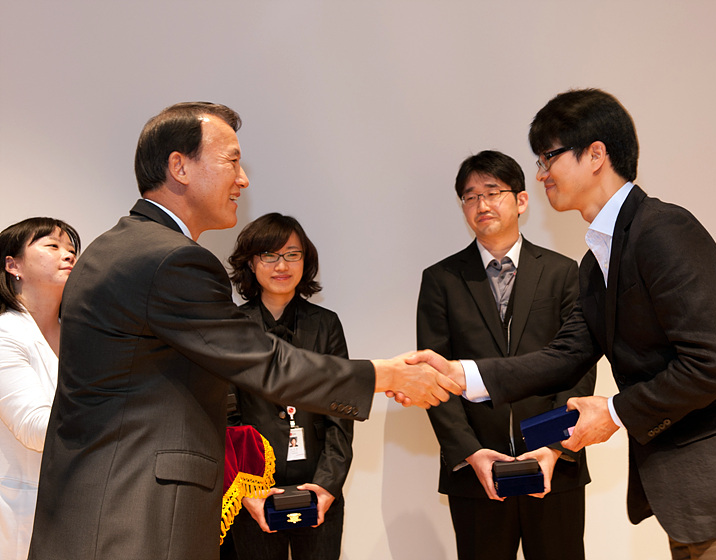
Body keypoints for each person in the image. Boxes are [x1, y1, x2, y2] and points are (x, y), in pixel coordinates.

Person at [28, 102, 459, 560]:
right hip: (134, 519)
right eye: (232, 160)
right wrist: (387, 375)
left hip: (103, 508)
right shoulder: (169, 260)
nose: (243, 179)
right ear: (180, 167)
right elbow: (267, 363)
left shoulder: (117, 246)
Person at [416, 89, 716, 560]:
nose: (541, 174)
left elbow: (711, 364)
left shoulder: (663, 230)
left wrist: (615, 412)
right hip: (688, 500)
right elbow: (566, 355)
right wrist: (465, 376)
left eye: (549, 158)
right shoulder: (595, 261)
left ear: (596, 154)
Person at [418, 151, 595, 560]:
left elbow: (578, 366)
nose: (481, 204)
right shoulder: (441, 280)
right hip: (475, 472)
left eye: (492, 192)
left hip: (555, 465)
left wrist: (553, 447)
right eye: (470, 196)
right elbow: (435, 378)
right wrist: (470, 453)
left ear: (520, 200)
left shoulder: (564, 272)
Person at [226, 212, 354, 560]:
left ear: (305, 260)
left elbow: (341, 413)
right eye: (269, 255)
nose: (281, 264)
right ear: (252, 263)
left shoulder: (326, 325)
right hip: (253, 491)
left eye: (292, 254)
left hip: (318, 486)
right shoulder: (232, 326)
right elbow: (227, 416)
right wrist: (248, 491)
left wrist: (327, 486)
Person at [0, 217, 79, 560]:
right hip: (19, 511)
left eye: (72, 249)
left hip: (76, 507)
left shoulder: (82, 335)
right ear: (12, 264)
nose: (68, 255)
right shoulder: (6, 333)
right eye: (53, 246)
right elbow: (35, 427)